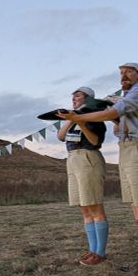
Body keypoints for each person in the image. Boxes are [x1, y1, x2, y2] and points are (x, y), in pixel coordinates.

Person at [59, 62, 138, 276]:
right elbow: (117, 116)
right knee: (137, 207)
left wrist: (78, 117)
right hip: (127, 149)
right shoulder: (128, 97)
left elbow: (112, 114)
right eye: (121, 73)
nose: (124, 75)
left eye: (129, 72)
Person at [57, 86, 109, 266]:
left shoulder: (95, 119)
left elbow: (95, 141)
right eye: (72, 96)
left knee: (94, 206)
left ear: (88, 99)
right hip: (72, 160)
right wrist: (71, 119)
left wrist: (80, 121)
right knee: (84, 209)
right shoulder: (73, 119)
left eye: (78, 95)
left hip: (88, 158)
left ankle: (100, 252)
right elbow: (61, 136)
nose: (74, 98)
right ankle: (92, 249)